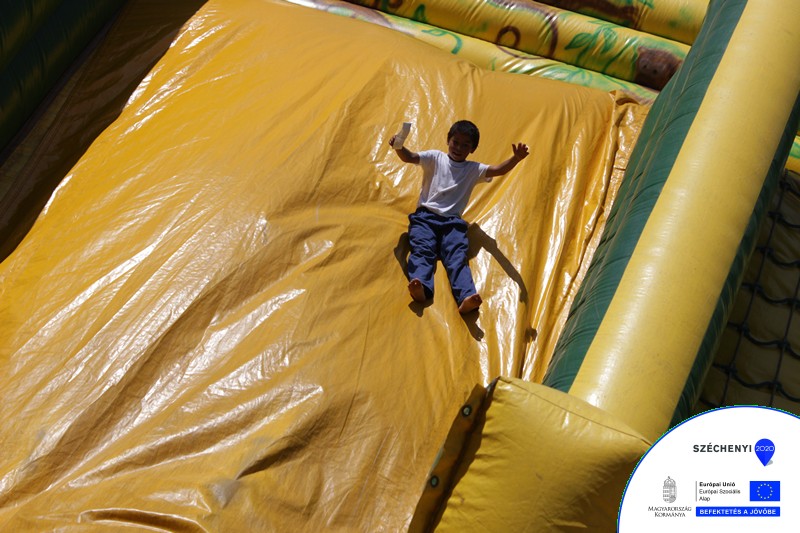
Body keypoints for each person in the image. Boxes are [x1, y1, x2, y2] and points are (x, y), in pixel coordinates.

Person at [389, 120, 529, 313]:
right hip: (425, 218)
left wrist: (516, 158)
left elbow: (497, 170)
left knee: (457, 258)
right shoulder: (435, 158)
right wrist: (399, 146)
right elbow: (410, 157)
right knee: (422, 249)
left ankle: (466, 297)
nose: (459, 148)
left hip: (452, 224)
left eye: (465, 145)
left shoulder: (473, 169)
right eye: (456, 142)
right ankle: (421, 285)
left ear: (472, 149)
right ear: (448, 140)